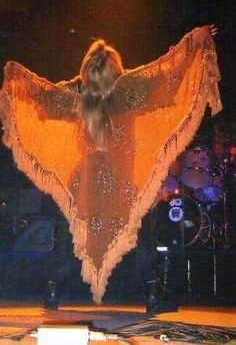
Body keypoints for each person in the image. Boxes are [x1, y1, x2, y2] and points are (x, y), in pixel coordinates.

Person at [0, 25, 222, 303]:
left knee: (72, 235)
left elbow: (42, 96)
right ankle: (153, 288)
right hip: (121, 179)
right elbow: (166, 73)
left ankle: (53, 287)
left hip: (82, 180)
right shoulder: (128, 90)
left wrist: (17, 78)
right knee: (138, 231)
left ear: (86, 69)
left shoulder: (74, 94)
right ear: (116, 68)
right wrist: (196, 44)